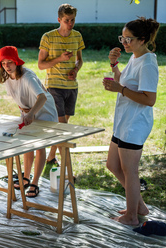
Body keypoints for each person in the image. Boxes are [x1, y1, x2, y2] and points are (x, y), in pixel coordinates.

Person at [102, 17, 160, 225]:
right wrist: (113, 64)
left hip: (135, 124)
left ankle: (132, 216)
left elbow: (149, 99)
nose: (124, 43)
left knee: (130, 171)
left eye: (129, 39)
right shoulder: (135, 57)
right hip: (123, 122)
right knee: (112, 164)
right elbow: (123, 81)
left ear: (143, 39)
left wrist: (121, 90)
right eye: (123, 38)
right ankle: (140, 206)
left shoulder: (148, 63)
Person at [0, 46, 58, 198]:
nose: (7, 66)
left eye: (9, 62)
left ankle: (35, 183)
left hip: (44, 111)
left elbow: (42, 98)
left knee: (39, 146)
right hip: (28, 112)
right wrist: (25, 113)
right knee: (27, 144)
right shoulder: (7, 78)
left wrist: (31, 113)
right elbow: (18, 97)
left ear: (17, 62)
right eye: (3, 63)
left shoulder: (27, 76)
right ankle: (26, 177)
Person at [38, 3, 85, 171]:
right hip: (54, 86)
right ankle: (67, 168)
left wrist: (75, 69)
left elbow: (80, 60)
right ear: (59, 19)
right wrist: (59, 59)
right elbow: (41, 65)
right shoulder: (48, 37)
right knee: (63, 127)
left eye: (72, 20)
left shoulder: (77, 36)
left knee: (61, 126)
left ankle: (51, 157)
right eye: (66, 20)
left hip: (71, 86)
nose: (70, 24)